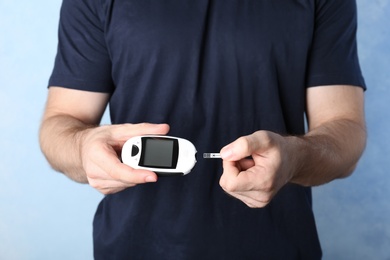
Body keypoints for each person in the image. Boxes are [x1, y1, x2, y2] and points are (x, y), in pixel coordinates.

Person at [39, 0, 366, 259]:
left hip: (277, 247)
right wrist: (83, 148)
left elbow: (345, 134)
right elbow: (59, 125)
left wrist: (296, 157)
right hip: (131, 248)